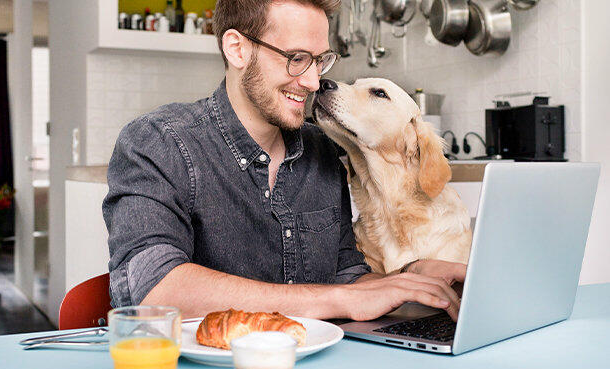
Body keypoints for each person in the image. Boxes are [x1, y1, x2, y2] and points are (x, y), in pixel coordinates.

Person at [103, 0, 466, 321]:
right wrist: (338, 299)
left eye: (320, 60)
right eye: (296, 59)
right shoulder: (157, 143)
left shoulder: (323, 152)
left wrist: (410, 275)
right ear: (237, 49)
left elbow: (347, 276)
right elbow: (153, 290)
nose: (312, 82)